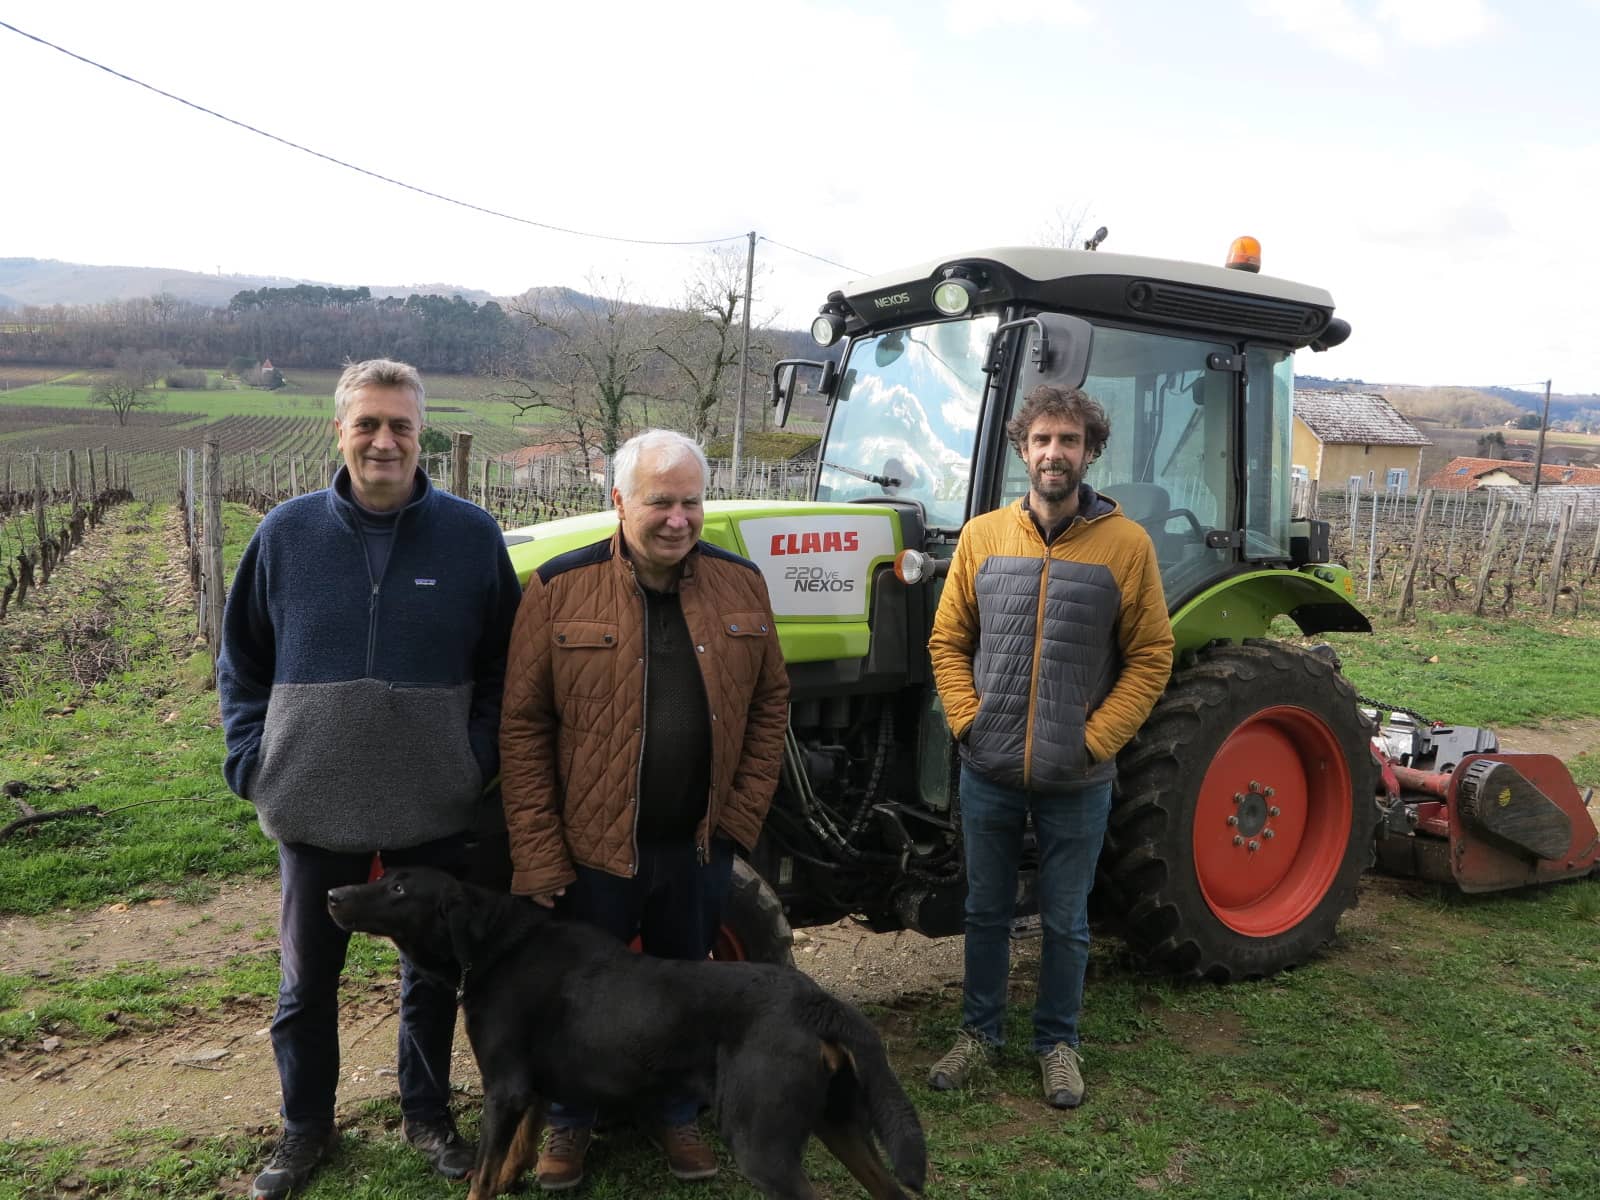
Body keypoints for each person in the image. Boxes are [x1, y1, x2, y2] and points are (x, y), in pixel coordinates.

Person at [217, 358, 522, 1199]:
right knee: (306, 985)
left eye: (401, 426)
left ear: (422, 436)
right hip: (311, 802)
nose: (384, 441)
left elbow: (506, 664)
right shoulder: (284, 534)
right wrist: (253, 760)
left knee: (431, 979)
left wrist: (475, 758)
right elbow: (240, 660)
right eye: (368, 424)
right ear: (340, 431)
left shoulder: (472, 536)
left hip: (433, 803)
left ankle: (427, 1116)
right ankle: (304, 1128)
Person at [498, 428, 789, 1191]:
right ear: (619, 502)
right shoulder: (560, 588)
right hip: (592, 849)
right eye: (661, 502)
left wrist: (737, 820)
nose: (678, 519)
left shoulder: (741, 584)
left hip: (696, 846)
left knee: (684, 989)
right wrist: (538, 852)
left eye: (692, 501)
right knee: (580, 996)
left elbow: (770, 704)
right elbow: (523, 728)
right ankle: (571, 1119)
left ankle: (675, 1113)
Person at [926, 383, 1174, 1109]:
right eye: (1042, 439)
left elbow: (1151, 655)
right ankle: (979, 1033)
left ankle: (1057, 1043)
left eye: (1069, 440)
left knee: (1066, 922)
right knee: (985, 911)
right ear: (1023, 450)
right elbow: (948, 640)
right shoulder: (983, 537)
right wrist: (969, 721)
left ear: (1090, 451)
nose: (1054, 452)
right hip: (990, 768)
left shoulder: (1126, 546)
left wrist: (1094, 741)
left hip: (1078, 777)